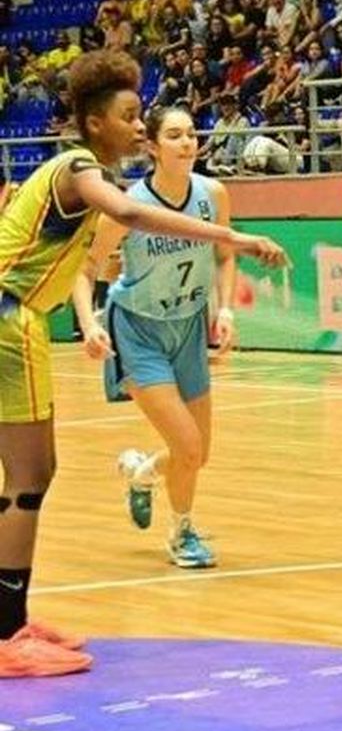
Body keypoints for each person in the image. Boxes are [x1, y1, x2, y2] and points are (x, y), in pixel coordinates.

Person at [0, 52, 285, 678]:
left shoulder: (80, 173)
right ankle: (4, 636)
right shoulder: (80, 169)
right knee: (25, 481)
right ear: (95, 122)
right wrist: (228, 238)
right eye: (130, 116)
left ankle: (12, 620)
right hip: (9, 317)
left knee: (35, 474)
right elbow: (127, 217)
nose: (138, 126)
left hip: (28, 321)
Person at [70, 107, 234, 570]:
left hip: (187, 326)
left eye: (192, 134)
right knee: (186, 445)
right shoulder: (130, 207)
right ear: (153, 147)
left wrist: (225, 309)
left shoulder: (213, 194)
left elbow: (224, 256)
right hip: (138, 329)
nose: (187, 143)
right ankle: (182, 535)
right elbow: (84, 269)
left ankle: (142, 473)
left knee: (198, 452)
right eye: (175, 135)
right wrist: (90, 322)